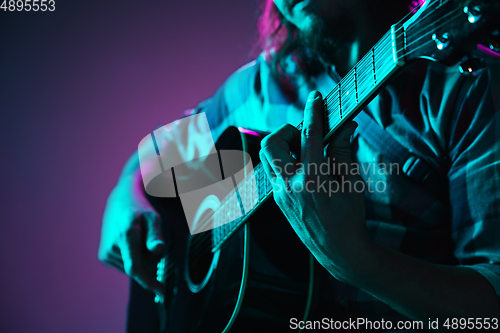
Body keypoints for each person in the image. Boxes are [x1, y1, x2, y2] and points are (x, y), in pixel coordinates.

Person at [99, 0, 500, 330]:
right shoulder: (268, 80)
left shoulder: (465, 89)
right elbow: (156, 159)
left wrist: (357, 261)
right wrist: (125, 199)